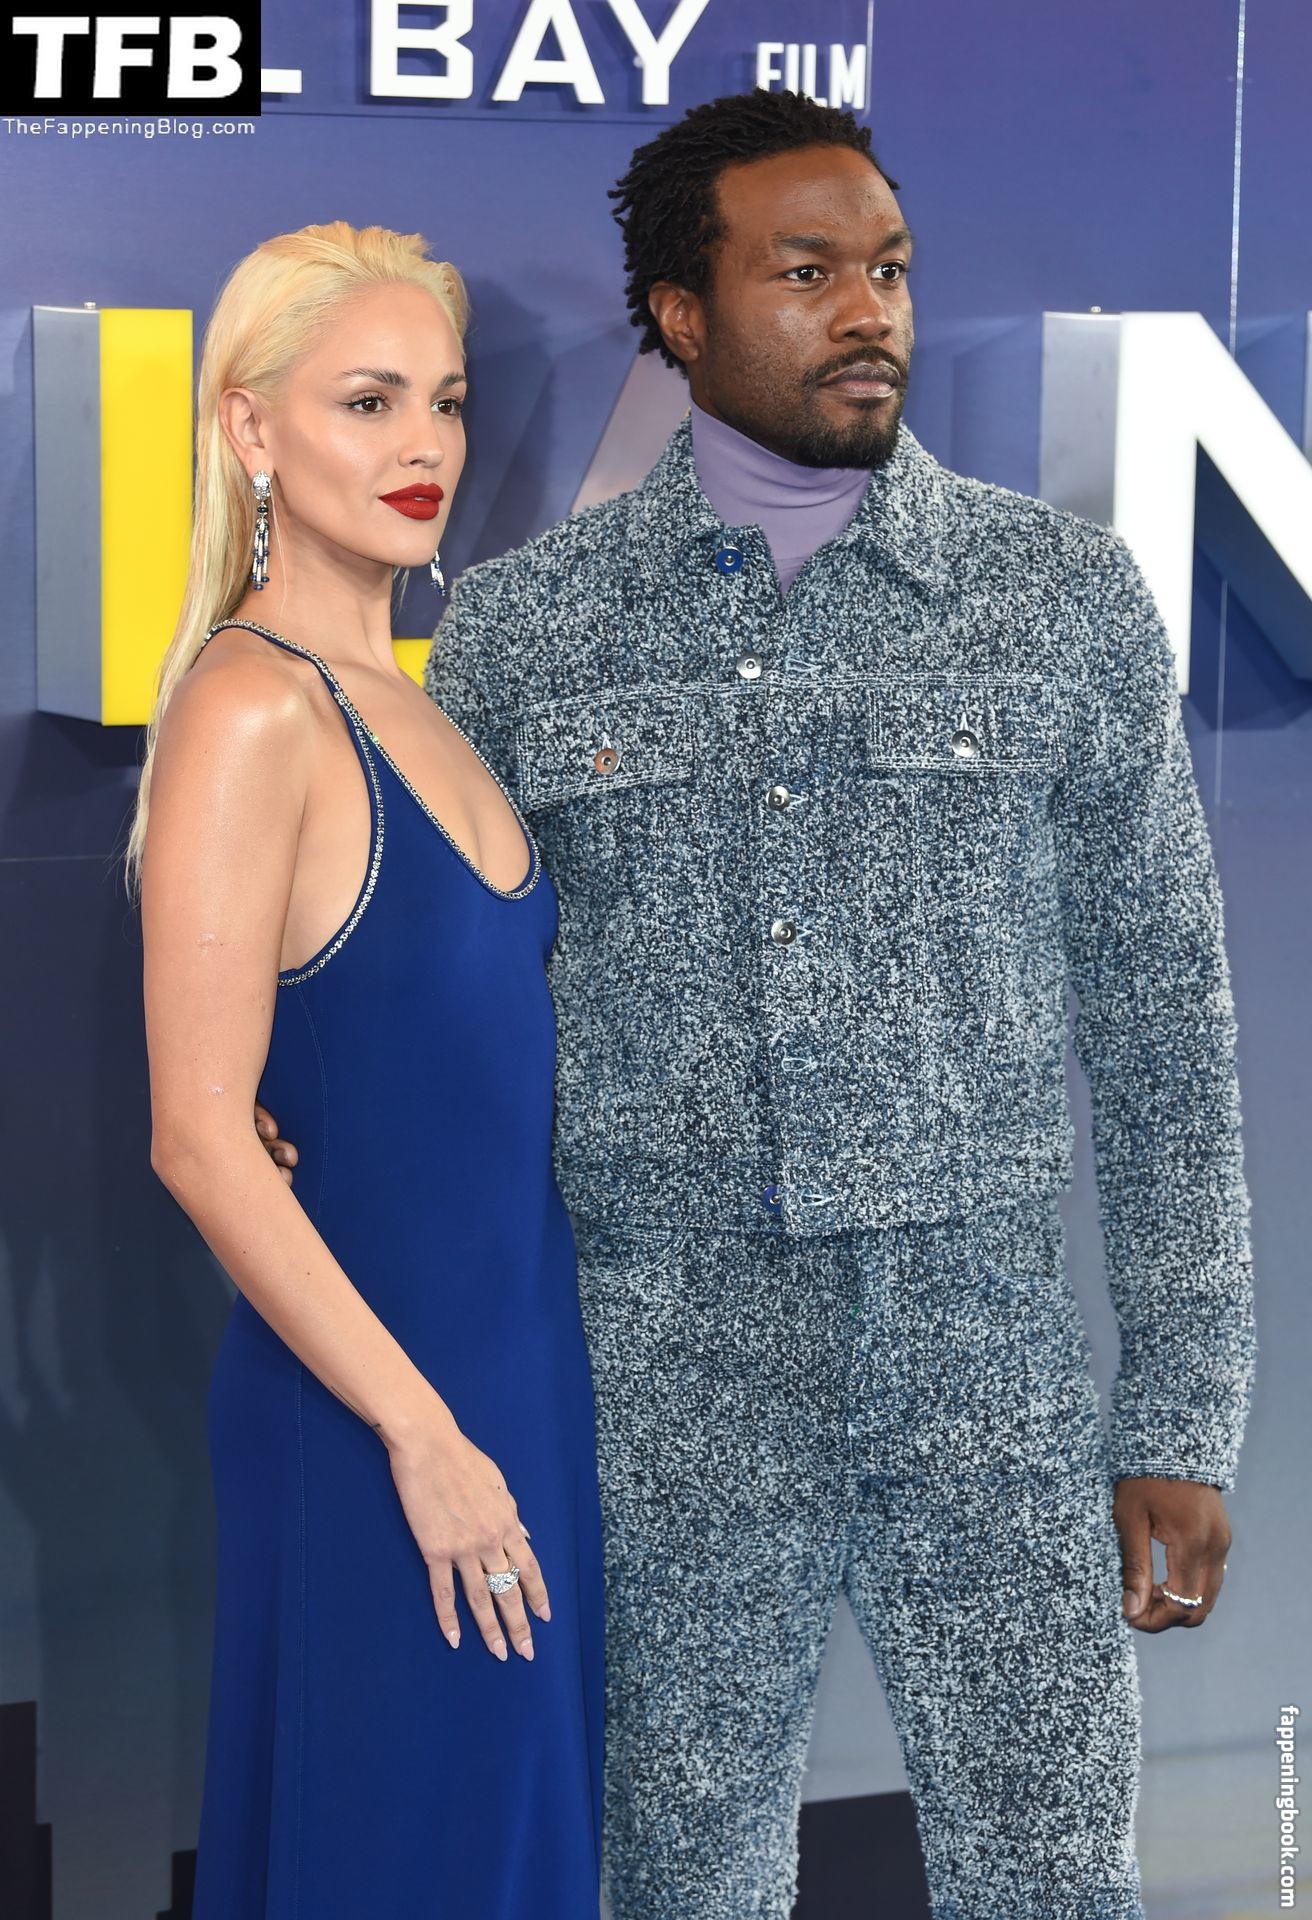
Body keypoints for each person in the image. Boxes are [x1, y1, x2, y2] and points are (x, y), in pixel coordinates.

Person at [259, 92, 1256, 1920]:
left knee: (1057, 1879)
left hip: (988, 1368)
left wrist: (1185, 1414)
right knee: (672, 1883)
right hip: (655, 1371)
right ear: (680, 313)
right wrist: (290, 1093)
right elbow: (443, 969)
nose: (867, 311)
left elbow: (1166, 1032)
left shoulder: (1059, 602)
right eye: (806, 274)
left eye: (889, 270)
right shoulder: (528, 632)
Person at [132, 221, 603, 1918]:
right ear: (250, 428)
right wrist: (421, 1437)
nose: (425, 447)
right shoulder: (251, 710)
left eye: (447, 402)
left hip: (519, 1393)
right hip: (379, 1427)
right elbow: (201, 1137)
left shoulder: (421, 698)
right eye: (369, 400)